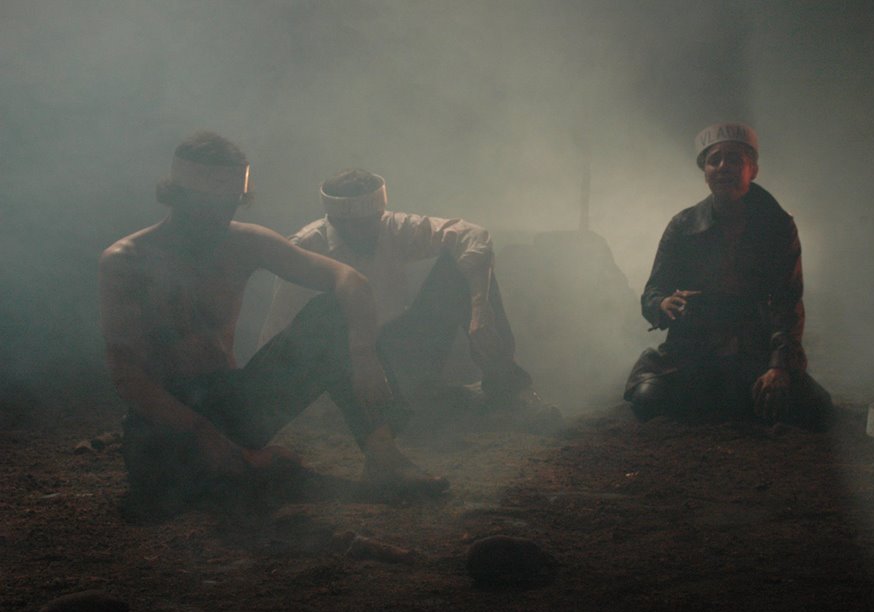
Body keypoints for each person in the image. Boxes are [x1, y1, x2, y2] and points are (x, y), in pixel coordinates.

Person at [99, 132, 447, 518]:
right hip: (165, 427)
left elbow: (349, 281)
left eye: (232, 203)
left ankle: (383, 457)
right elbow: (127, 376)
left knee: (331, 314)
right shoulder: (127, 260)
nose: (222, 215)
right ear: (180, 196)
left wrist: (363, 356)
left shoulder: (244, 242)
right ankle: (244, 470)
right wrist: (206, 435)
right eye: (211, 205)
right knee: (213, 485)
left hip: (229, 404)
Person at [260, 169, 555, 422]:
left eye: (375, 219)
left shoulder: (392, 228)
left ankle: (508, 390)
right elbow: (279, 330)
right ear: (336, 220)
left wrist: (480, 310)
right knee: (419, 405)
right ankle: (426, 398)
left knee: (460, 268)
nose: (371, 229)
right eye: (360, 225)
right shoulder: (306, 248)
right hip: (346, 365)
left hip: (398, 350)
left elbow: (472, 234)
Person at [623, 123, 832, 427]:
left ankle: (730, 396)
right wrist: (663, 304)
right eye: (714, 160)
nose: (723, 167)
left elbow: (787, 301)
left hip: (753, 347)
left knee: (816, 409)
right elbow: (654, 291)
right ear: (705, 172)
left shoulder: (777, 226)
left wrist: (778, 366)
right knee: (647, 399)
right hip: (693, 349)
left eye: (734, 159)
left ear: (753, 170)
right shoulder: (683, 226)